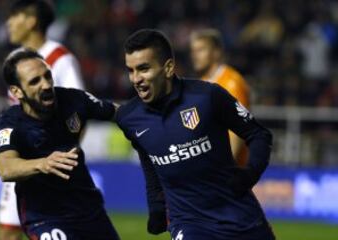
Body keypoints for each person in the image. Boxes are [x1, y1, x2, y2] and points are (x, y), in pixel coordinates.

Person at [116, 29, 275, 240]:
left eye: (143, 69)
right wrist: (156, 206)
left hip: (240, 217)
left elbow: (259, 134)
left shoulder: (207, 96)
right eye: (131, 70)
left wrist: (250, 173)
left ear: (169, 68)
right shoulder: (129, 118)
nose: (136, 79)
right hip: (189, 224)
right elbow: (150, 161)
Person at [0, 48, 119, 240]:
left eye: (47, 76)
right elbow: (5, 167)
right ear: (17, 91)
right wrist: (42, 163)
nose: (46, 85)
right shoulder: (10, 124)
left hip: (89, 212)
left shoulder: (73, 100)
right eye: (35, 81)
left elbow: (118, 113)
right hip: (45, 218)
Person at [0, 1, 84, 239]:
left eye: (14, 16)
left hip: (49, 163)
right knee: (8, 232)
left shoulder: (60, 59)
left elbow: (78, 111)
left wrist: (65, 154)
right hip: (19, 161)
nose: (8, 23)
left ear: (31, 21)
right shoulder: (15, 59)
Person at [190, 29, 250, 167]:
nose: (195, 56)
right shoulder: (202, 83)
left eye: (201, 50)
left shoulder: (231, 82)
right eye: (193, 51)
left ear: (216, 53)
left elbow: (237, 131)